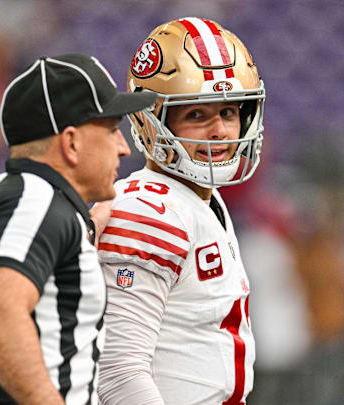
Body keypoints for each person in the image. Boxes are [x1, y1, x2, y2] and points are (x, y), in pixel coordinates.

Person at [0, 53, 156, 405]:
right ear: (71, 143)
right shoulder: (31, 201)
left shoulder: (37, 202)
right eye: (112, 130)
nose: (124, 147)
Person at [96, 18, 265, 405]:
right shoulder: (148, 210)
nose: (220, 131)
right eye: (196, 115)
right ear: (151, 122)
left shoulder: (202, 199)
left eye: (228, 111)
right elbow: (119, 376)